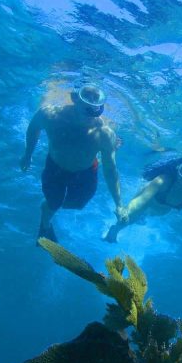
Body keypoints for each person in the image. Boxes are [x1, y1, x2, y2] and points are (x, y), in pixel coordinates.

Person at [20, 84, 126, 243]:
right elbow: (33, 128)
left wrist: (119, 204)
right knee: (53, 203)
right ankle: (45, 224)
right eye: (87, 98)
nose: (91, 107)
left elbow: (111, 170)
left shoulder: (104, 133)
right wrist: (27, 155)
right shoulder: (50, 115)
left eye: (95, 101)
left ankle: (51, 206)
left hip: (86, 173)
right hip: (55, 168)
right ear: (74, 98)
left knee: (76, 205)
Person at [103, 156, 182, 242]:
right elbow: (141, 200)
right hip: (148, 201)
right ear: (177, 170)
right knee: (130, 217)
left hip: (161, 210)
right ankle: (115, 230)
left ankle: (139, 218)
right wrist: (126, 212)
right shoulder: (162, 181)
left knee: (141, 217)